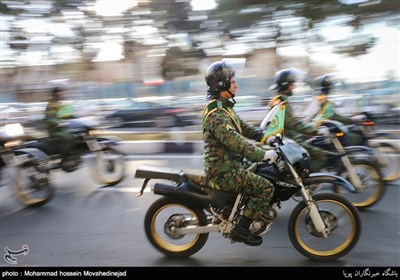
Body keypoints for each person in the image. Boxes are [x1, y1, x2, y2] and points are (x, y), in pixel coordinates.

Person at [202, 60, 278, 246]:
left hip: (232, 163)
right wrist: (262, 154)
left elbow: (243, 129)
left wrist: (265, 137)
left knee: (264, 171)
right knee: (265, 188)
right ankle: (241, 231)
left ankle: (237, 213)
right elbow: (236, 142)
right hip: (223, 170)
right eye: (233, 81)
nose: (236, 84)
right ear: (223, 84)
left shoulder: (226, 108)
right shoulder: (217, 114)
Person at [268, 69, 335, 172]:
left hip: (289, 137)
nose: (294, 87)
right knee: (320, 155)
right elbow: (294, 124)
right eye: (292, 84)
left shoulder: (280, 100)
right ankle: (305, 182)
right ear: (285, 85)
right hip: (289, 140)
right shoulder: (280, 102)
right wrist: (316, 131)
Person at [44, 85, 75, 158]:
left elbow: (67, 114)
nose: (61, 95)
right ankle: (65, 156)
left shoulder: (61, 103)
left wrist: (75, 118)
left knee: (78, 133)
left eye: (62, 93)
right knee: (68, 136)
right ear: (55, 95)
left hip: (64, 127)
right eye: (59, 94)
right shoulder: (50, 105)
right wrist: (58, 123)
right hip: (55, 130)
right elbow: (50, 118)